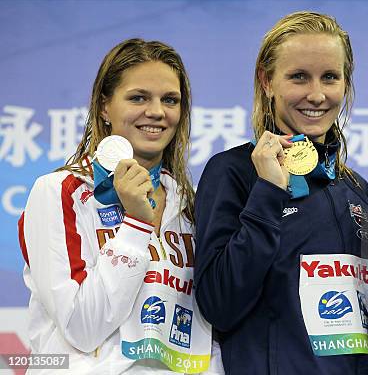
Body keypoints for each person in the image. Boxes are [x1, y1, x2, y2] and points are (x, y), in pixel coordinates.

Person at [18, 39, 222, 374]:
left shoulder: (191, 203)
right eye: (138, 97)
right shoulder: (60, 192)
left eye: (170, 99)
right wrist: (136, 226)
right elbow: (81, 327)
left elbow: (204, 330)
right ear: (103, 106)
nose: (157, 111)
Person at [194, 11, 368, 374]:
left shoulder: (357, 188)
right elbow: (219, 304)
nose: (317, 94)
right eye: (298, 77)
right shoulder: (234, 171)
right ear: (267, 81)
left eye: (330, 77)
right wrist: (267, 192)